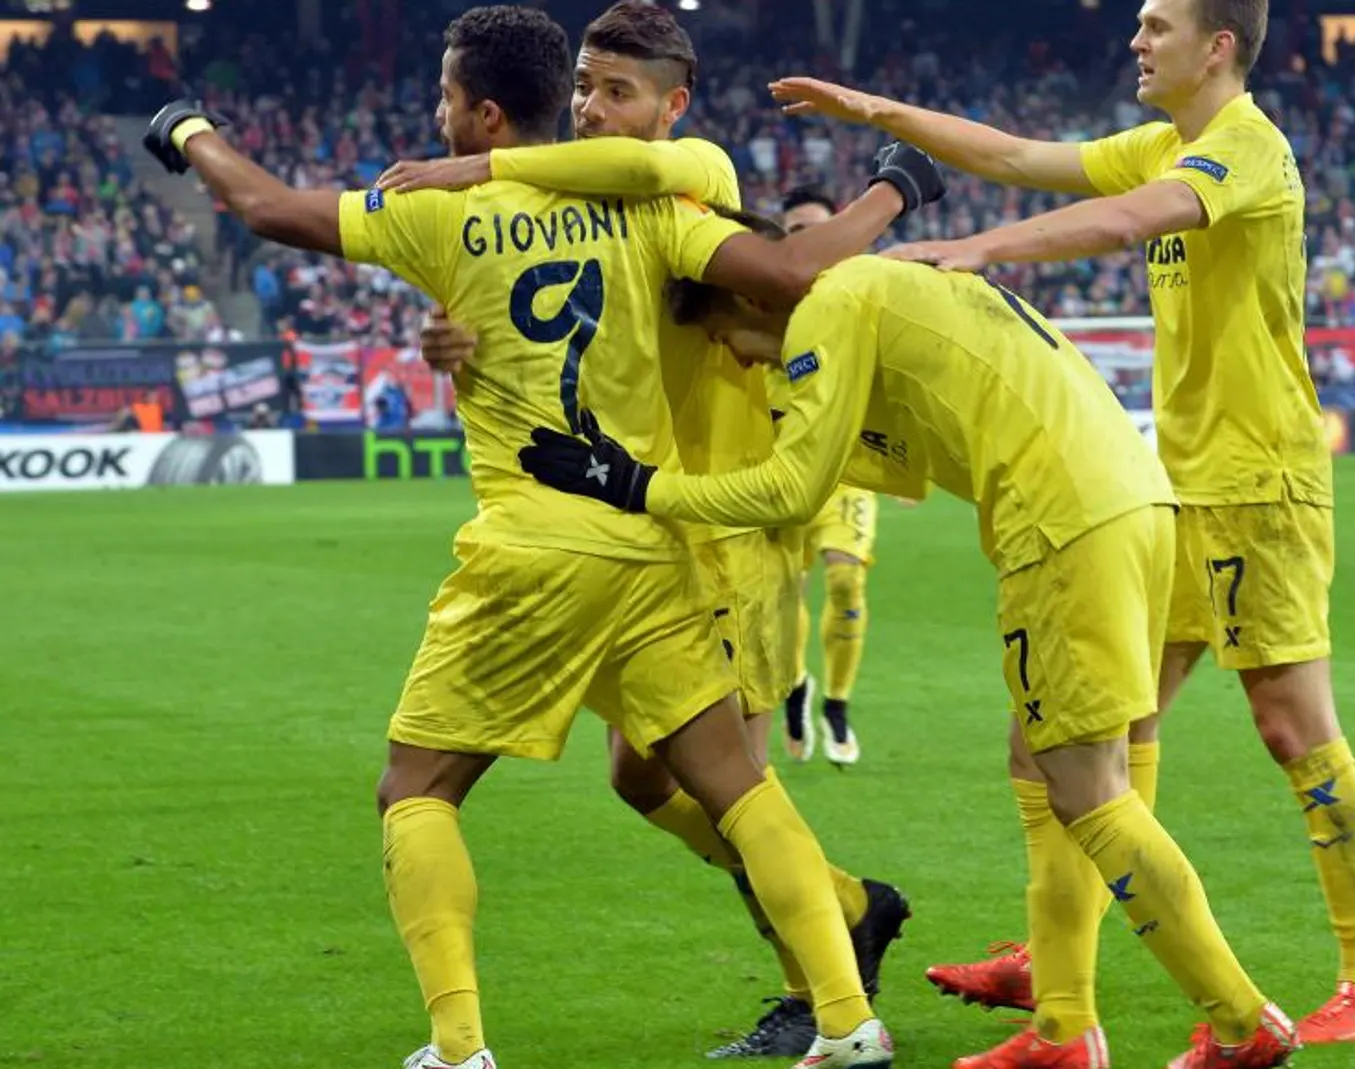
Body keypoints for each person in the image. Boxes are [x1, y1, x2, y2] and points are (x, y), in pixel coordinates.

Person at [141, 6, 941, 1065]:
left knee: (416, 789)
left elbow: (266, 208)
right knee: (727, 785)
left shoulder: (448, 209)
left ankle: (459, 1046)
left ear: (479, 113)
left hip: (537, 547)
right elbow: (787, 274)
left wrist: (187, 128)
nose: (436, 121)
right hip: (651, 540)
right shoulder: (659, 207)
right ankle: (849, 1019)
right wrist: (894, 187)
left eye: (442, 101)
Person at [768, 0, 1355, 1047]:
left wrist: (977, 249)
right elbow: (1020, 154)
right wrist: (876, 108)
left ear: (1217, 47)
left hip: (1258, 482)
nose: (1135, 40)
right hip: (1170, 479)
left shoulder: (1245, 148)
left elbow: (1119, 221)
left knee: (1291, 724)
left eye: (1158, 25)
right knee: (1095, 733)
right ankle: (1061, 957)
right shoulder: (1165, 140)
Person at [517, 223, 1302, 1069]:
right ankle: (1065, 1029)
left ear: (749, 296)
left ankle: (1239, 1021)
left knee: (1089, 789)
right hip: (1129, 499)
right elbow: (902, 455)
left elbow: (793, 487)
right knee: (1044, 764)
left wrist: (631, 482)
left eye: (724, 339)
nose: (737, 361)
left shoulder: (826, 308)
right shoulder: (872, 289)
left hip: (1063, 519)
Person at [377, 5, 911, 1057]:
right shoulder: (582, 209)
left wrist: (467, 173)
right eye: (581, 87)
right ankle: (843, 908)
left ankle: (821, 993)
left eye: (615, 92)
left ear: (672, 107)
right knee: (641, 776)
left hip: (728, 525)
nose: (587, 109)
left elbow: (743, 242)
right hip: (633, 527)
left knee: (736, 779)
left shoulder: (690, 181)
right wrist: (463, 346)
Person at [778, 185, 881, 767]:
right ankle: (795, 688)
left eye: (820, 228)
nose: (810, 242)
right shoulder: (762, 298)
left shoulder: (863, 296)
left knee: (845, 582)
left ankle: (837, 703)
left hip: (847, 471)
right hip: (780, 470)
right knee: (783, 593)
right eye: (796, 232)